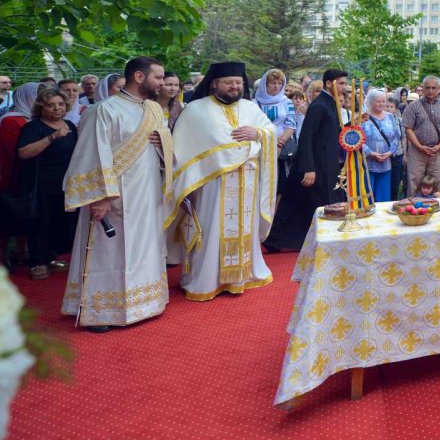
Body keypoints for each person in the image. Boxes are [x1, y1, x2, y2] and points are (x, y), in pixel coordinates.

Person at [61, 57, 171, 331]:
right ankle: (101, 311)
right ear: (138, 76)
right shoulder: (103, 110)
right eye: (158, 78)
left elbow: (165, 145)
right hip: (114, 195)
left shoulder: (155, 110)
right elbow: (92, 154)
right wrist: (101, 196)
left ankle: (143, 304)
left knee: (144, 246)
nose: (163, 83)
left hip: (147, 192)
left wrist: (163, 144)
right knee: (108, 251)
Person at [168, 62, 278, 301]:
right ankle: (207, 279)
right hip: (212, 184)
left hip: (246, 183)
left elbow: (269, 131)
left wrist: (258, 134)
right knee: (211, 229)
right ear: (214, 83)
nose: (234, 87)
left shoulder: (250, 107)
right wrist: (241, 149)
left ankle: (244, 276)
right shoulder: (196, 110)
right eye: (229, 82)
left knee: (243, 229)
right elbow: (185, 148)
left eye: (238, 83)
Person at [264, 69, 350, 252]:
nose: (345, 87)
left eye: (345, 83)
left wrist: (352, 127)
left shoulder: (330, 103)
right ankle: (276, 240)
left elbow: (331, 133)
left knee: (302, 203)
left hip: (326, 163)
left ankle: (283, 240)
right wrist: (308, 168)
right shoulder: (319, 106)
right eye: (341, 83)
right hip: (315, 165)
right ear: (329, 83)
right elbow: (306, 137)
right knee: (301, 203)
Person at [16, 89, 78, 279]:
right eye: (51, 105)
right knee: (41, 223)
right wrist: (52, 137)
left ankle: (51, 257)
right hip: (42, 184)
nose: (57, 108)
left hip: (66, 183)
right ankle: (37, 263)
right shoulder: (33, 127)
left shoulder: (70, 125)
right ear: (41, 106)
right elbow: (24, 152)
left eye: (60, 104)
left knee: (60, 223)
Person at [402, 76, 440, 195]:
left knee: (435, 183)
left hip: (436, 151)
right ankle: (413, 210)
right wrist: (420, 146)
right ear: (423, 88)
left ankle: (436, 210)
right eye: (427, 88)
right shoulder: (413, 106)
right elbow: (408, 128)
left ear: (439, 89)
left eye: (433, 88)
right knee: (414, 182)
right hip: (417, 151)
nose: (430, 90)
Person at [0, 83, 40, 194]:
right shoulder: (11, 120)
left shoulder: (38, 118)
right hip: (16, 175)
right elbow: (16, 151)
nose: (42, 101)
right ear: (26, 98)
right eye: (37, 97)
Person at [361, 88, 400, 202]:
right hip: (367, 163)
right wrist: (370, 153)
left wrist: (389, 152)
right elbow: (357, 139)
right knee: (367, 197)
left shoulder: (390, 117)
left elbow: (396, 137)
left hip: (385, 163)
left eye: (384, 101)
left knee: (383, 197)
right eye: (378, 101)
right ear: (371, 101)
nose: (382, 104)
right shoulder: (363, 117)